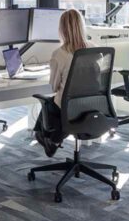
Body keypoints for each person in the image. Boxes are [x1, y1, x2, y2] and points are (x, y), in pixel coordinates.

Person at [33, 9, 95, 157]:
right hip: (92, 104)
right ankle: (52, 139)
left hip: (68, 108)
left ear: (62, 29)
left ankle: (50, 139)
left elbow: (53, 87)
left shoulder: (59, 54)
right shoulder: (95, 48)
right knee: (56, 104)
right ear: (81, 26)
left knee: (50, 102)